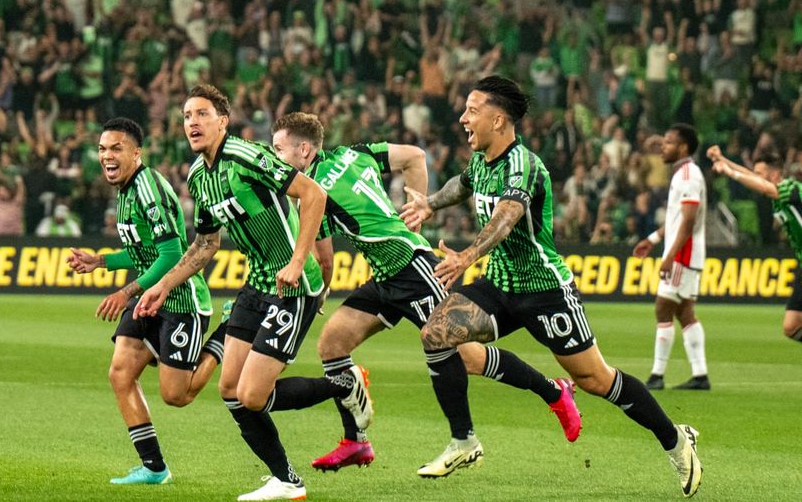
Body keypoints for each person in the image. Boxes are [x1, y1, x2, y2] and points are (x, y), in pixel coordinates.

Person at [400, 77, 700, 497]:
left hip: (545, 291)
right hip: (501, 286)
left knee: (597, 380)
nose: (463, 118)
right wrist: (430, 203)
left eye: (472, 110)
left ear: (498, 118)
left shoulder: (523, 163)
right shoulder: (482, 160)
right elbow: (462, 183)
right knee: (436, 334)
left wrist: (467, 257)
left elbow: (506, 216)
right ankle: (464, 441)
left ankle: (675, 439)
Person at [269, 112, 581, 474]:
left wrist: (319, 295)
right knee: (333, 345)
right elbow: (414, 156)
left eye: (279, 149)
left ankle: (553, 392)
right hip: (387, 275)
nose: (275, 158)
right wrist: (416, 208)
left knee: (464, 356)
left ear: (304, 150)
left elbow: (325, 262)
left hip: (413, 271)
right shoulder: (356, 152)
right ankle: (356, 441)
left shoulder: (312, 193)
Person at [135, 85, 328, 501]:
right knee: (229, 391)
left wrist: (296, 262)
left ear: (223, 121)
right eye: (186, 116)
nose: (192, 123)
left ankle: (342, 385)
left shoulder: (247, 156)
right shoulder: (198, 177)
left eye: (201, 114)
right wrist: (162, 286)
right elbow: (206, 244)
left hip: (293, 286)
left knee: (251, 394)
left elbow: (314, 195)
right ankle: (286, 480)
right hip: (256, 285)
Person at [67, 117, 225, 486]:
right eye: (103, 149)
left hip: (181, 300)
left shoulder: (148, 188)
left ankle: (224, 337)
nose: (107, 155)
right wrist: (101, 261)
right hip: (149, 298)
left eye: (116, 148)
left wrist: (126, 291)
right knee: (120, 372)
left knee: (177, 396)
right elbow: (143, 251)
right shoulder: (126, 190)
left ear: (136, 153)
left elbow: (171, 255)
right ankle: (154, 467)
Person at [633, 124, 710, 390]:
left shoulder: (688, 175)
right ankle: (700, 376)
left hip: (683, 254)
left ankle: (657, 375)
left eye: (668, 142)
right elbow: (677, 219)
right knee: (685, 312)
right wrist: (653, 240)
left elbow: (688, 222)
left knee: (662, 307)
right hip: (687, 253)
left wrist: (671, 256)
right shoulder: (684, 174)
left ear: (683, 147)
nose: (663, 146)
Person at [708, 147, 802, 344]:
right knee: (791, 326)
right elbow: (753, 177)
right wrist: (724, 160)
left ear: (775, 174)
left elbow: (766, 187)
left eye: (761, 174)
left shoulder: (791, 188)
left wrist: (728, 171)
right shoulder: (779, 193)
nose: (756, 178)